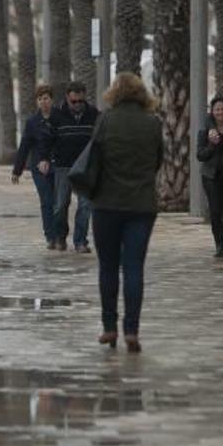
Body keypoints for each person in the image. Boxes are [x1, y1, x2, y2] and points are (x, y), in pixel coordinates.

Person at [91, 73, 163, 353]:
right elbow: (158, 160)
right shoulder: (152, 123)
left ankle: (109, 327)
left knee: (108, 267)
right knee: (134, 267)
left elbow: (94, 157)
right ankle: (132, 329)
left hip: (107, 204)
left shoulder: (106, 120)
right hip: (141, 206)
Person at [52, 81, 99, 252]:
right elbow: (48, 139)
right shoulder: (57, 115)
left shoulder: (93, 114)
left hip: (86, 169)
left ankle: (80, 241)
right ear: (67, 98)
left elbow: (100, 139)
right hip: (63, 167)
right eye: (74, 102)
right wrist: (45, 158)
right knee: (60, 205)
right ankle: (60, 237)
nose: (78, 105)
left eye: (80, 101)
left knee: (85, 206)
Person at [11, 84, 59, 249]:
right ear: (37, 102)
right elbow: (24, 146)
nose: (43, 102)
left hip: (58, 166)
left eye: (46, 98)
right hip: (38, 168)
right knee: (46, 201)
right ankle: (50, 236)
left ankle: (60, 234)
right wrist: (17, 170)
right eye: (40, 99)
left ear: (51, 99)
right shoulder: (32, 122)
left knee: (59, 202)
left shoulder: (59, 118)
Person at [197, 96, 223, 257]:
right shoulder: (206, 130)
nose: (220, 112)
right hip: (211, 176)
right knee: (215, 210)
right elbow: (200, 155)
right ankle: (219, 244)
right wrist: (211, 144)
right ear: (212, 111)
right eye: (217, 109)